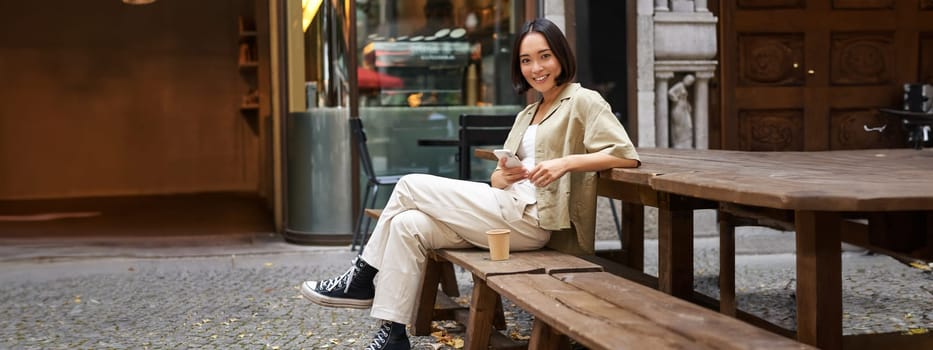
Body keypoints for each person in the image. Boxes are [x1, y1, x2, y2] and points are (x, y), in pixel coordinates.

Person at [300, 18, 640, 350]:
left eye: (544, 56)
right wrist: (502, 175)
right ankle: (393, 334)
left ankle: (360, 278)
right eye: (526, 60)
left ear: (562, 56)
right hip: (504, 214)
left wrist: (565, 163)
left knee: (409, 185)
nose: (536, 67)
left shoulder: (583, 101)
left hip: (534, 219)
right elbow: (497, 179)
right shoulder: (528, 113)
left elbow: (625, 155)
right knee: (407, 224)